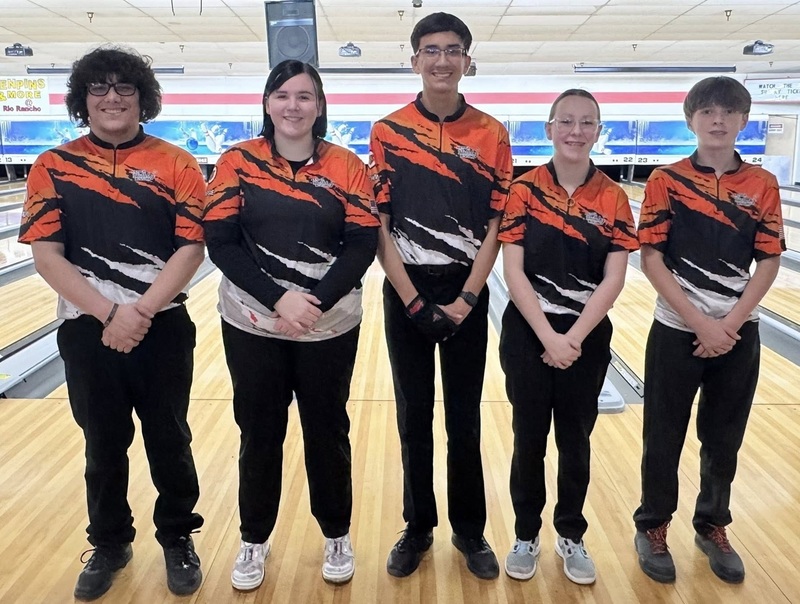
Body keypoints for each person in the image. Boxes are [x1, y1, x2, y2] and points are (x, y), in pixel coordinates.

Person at [18, 46, 205, 600]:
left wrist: (140, 312)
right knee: (102, 443)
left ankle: (177, 538)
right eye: (99, 87)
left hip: (162, 324)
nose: (112, 97)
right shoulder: (52, 165)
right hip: (86, 329)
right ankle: (110, 542)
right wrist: (108, 314)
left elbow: (192, 248)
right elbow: (46, 255)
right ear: (83, 100)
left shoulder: (178, 163)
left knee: (170, 439)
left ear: (142, 97)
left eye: (125, 87)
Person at [203, 59, 379, 590]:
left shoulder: (348, 167)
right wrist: (281, 299)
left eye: (304, 96)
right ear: (267, 103)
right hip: (252, 321)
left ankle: (336, 534)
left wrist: (314, 303)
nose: (293, 106)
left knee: (327, 431)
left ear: (320, 106)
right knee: (260, 432)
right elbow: (222, 242)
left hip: (329, 324)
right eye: (282, 95)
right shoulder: (236, 161)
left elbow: (362, 244)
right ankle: (253, 540)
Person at [369, 12, 512, 580]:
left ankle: (470, 530)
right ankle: (417, 525)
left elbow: (499, 222)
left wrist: (469, 298)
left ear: (467, 61)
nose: (442, 60)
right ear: (415, 60)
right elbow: (379, 223)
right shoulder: (388, 129)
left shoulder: (492, 132)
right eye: (431, 50)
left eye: (453, 50)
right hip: (406, 287)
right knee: (412, 417)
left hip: (465, 289)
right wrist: (410, 300)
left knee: (464, 418)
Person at [633, 76, 785, 584]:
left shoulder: (762, 185)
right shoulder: (665, 180)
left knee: (724, 438)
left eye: (728, 111)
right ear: (691, 119)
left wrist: (731, 324)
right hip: (676, 329)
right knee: (663, 436)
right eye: (707, 111)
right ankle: (653, 526)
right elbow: (651, 258)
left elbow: (769, 260)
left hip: (740, 334)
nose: (717, 119)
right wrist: (701, 322)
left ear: (743, 120)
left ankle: (712, 524)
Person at [498, 90, 638, 585]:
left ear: (598, 131)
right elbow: (511, 271)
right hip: (527, 333)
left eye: (587, 123)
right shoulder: (523, 189)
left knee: (575, 441)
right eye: (567, 122)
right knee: (528, 439)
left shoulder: (615, 196)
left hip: (586, 338)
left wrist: (573, 337)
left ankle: (571, 535)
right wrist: (547, 336)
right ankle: (524, 534)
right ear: (549, 128)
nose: (576, 131)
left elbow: (615, 276)